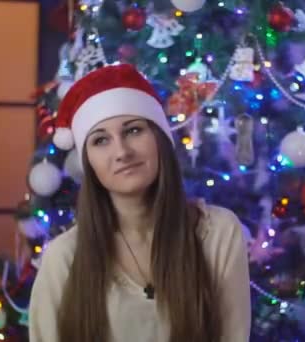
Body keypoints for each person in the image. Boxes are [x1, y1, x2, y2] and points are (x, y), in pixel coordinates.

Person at [28, 64, 251, 342]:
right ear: (89, 163)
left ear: (159, 139)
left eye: (133, 131)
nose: (121, 151)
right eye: (101, 140)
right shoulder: (63, 258)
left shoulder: (218, 233)